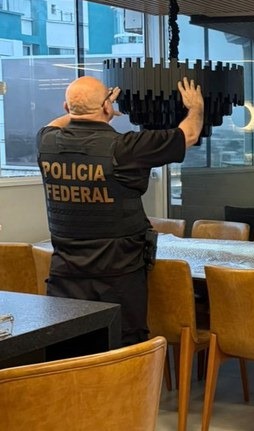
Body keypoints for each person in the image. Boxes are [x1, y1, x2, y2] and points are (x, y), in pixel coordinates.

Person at [37, 75, 204, 347]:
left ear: (66, 108)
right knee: (122, 355)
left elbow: (54, 123)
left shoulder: (46, 143)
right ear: (107, 106)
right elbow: (189, 134)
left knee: (70, 353)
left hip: (65, 278)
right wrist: (196, 107)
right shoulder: (125, 148)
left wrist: (83, 109)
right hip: (118, 279)